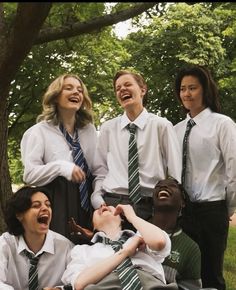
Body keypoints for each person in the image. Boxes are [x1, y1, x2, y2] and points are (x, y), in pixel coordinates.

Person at [174, 64, 236, 290]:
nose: (187, 94)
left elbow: (233, 168)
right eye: (182, 89)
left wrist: (227, 208)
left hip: (212, 209)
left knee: (211, 275)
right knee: (184, 275)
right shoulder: (176, 129)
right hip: (182, 212)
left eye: (192, 88)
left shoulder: (222, 124)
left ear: (204, 91)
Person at [91, 70, 182, 223]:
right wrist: (97, 196)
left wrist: (171, 208)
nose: (122, 90)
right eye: (118, 88)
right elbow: (100, 169)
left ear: (142, 90)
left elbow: (175, 173)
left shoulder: (162, 126)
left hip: (150, 205)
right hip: (112, 203)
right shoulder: (108, 128)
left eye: (127, 84)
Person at [20, 74, 98, 241]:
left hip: (89, 199)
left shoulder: (89, 130)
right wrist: (62, 167)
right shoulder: (38, 132)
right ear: (55, 96)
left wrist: (98, 197)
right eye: (68, 88)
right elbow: (30, 174)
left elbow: (98, 168)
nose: (76, 92)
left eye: (80, 90)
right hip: (58, 202)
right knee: (62, 254)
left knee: (90, 254)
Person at [61, 204, 178, 290]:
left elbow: (159, 242)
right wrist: (125, 252)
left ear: (122, 217)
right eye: (97, 209)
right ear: (93, 225)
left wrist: (132, 216)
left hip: (150, 285)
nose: (103, 205)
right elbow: (79, 284)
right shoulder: (82, 251)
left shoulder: (142, 235)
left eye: (109, 205)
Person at [0, 185, 73, 290]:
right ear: (19, 215)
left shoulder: (65, 247)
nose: (45, 208)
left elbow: (77, 279)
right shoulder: (5, 244)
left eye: (48, 205)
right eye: (36, 205)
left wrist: (60, 289)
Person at [153, 178, 202, 290]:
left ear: (182, 202)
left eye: (171, 185)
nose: (163, 187)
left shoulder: (191, 248)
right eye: (158, 185)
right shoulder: (135, 231)